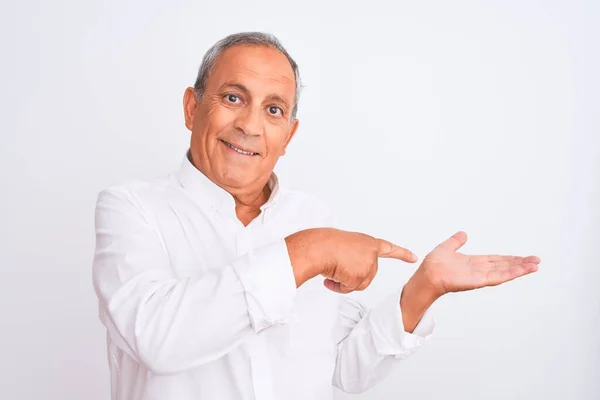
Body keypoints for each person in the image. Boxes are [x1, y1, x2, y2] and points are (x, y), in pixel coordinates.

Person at [92, 32, 540, 400]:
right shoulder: (132, 208)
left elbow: (343, 367)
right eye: (232, 97)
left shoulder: (310, 214)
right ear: (192, 107)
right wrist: (307, 252)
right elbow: (158, 340)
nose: (250, 125)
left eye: (273, 110)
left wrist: (421, 291)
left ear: (289, 134)